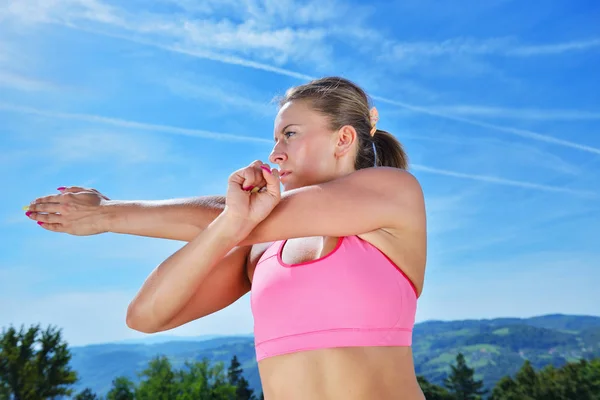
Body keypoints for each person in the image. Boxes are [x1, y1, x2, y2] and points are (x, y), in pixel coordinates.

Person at [25, 76, 427, 400]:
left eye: (289, 134)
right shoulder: (262, 247)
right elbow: (145, 316)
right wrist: (229, 224)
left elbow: (253, 217)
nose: (275, 153)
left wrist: (107, 215)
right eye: (275, 138)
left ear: (343, 139)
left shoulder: (394, 193)